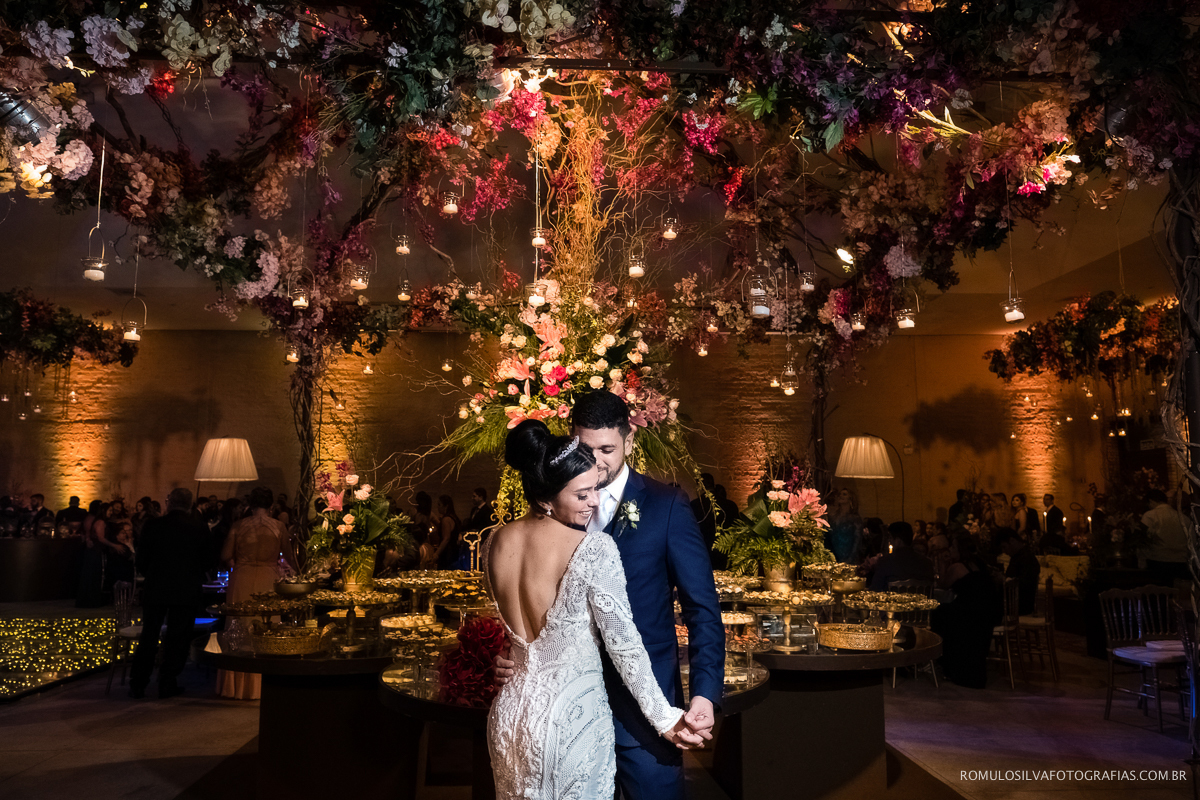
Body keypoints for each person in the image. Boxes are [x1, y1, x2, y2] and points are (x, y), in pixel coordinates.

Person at [495, 392, 723, 800]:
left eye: (607, 449)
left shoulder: (666, 505)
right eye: (587, 449)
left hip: (644, 718)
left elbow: (702, 610)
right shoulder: (552, 509)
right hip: (563, 716)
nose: (597, 462)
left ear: (629, 439)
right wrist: (514, 655)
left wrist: (703, 693)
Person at [130, 488, 210, 699]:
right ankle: (167, 681)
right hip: (185, 589)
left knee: (149, 635)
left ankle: (138, 683)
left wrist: (152, 574)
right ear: (190, 504)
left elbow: (141, 559)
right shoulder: (198, 528)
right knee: (178, 637)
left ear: (168, 503)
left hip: (156, 587)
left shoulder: (154, 525)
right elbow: (208, 561)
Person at [217, 487, 289, 700]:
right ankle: (264, 684)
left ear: (251, 504)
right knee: (267, 626)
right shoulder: (279, 526)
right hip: (268, 578)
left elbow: (226, 554)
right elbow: (290, 557)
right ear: (272, 506)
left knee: (238, 627)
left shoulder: (239, 525)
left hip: (242, 577)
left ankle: (234, 686)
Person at [931, 535, 1001, 688]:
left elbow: (943, 584)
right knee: (945, 612)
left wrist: (943, 563)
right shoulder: (978, 563)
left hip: (970, 612)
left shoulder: (957, 567)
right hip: (988, 610)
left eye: (953, 547)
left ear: (960, 550)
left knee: (937, 614)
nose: (950, 550)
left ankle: (945, 663)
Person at [1141, 489, 1190, 585]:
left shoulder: (1150, 515)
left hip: (1158, 562)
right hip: (1181, 563)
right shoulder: (1184, 518)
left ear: (1151, 501)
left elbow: (1144, 540)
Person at [868, 521, 936, 590]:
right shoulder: (927, 563)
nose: (890, 542)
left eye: (891, 538)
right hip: (920, 600)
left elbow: (875, 589)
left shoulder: (886, 562)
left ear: (898, 541)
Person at [996, 528, 1040, 616]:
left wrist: (1004, 580)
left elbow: (1024, 585)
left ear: (1012, 541)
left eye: (1004, 547)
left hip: (1019, 605)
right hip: (1014, 603)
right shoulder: (1018, 556)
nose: (1004, 551)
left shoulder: (1026, 558)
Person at [826, 487, 863, 564]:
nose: (841, 496)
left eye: (844, 494)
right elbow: (829, 536)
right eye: (840, 494)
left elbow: (858, 540)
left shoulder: (855, 518)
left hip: (849, 557)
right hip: (834, 556)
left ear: (851, 499)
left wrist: (850, 558)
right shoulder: (833, 517)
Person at [434, 494, 462, 569]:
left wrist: (436, 554)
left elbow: (446, 538)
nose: (438, 507)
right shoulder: (454, 518)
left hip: (447, 553)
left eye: (439, 505)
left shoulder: (446, 519)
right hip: (455, 552)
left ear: (446, 506)